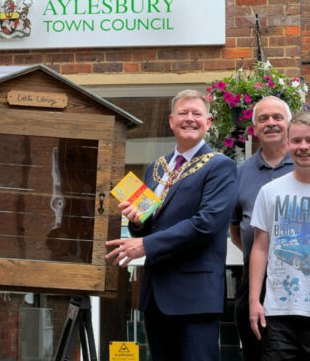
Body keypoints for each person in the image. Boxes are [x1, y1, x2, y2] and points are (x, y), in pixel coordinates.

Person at [106, 90, 238, 361]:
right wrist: (137, 224)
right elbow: (147, 223)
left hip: (196, 296)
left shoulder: (220, 166)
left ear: (208, 122)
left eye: (196, 114)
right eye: (183, 113)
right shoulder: (156, 167)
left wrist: (145, 244)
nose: (190, 119)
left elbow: (207, 224)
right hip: (156, 294)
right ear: (171, 121)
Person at [229, 96, 293, 360]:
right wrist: (261, 253)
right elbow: (235, 228)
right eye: (263, 118)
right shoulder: (240, 173)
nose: (271, 123)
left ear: (289, 123)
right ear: (254, 127)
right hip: (255, 285)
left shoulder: (305, 165)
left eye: (277, 117)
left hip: (300, 283)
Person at [249, 112, 310, 360]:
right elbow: (260, 248)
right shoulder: (270, 191)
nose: (303, 147)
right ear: (287, 143)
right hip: (278, 315)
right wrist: (255, 301)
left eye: (308, 140)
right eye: (296, 141)